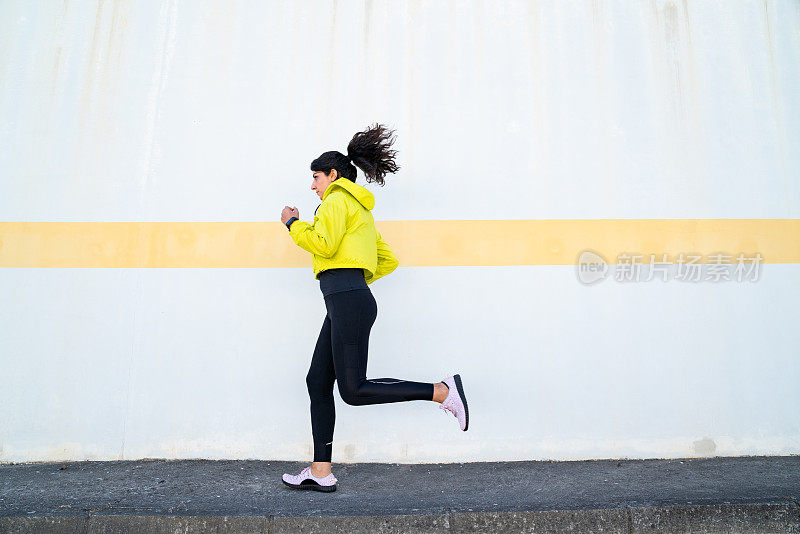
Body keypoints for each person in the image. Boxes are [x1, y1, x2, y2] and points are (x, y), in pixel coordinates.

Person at [278, 123, 469, 493]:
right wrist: (356, 279)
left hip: (347, 300)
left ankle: (442, 391)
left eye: (316, 177)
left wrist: (293, 224)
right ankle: (320, 471)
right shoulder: (360, 210)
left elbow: (324, 243)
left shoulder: (334, 201)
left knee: (353, 389)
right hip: (347, 300)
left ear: (332, 175)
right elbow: (388, 259)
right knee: (318, 380)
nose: (312, 185)